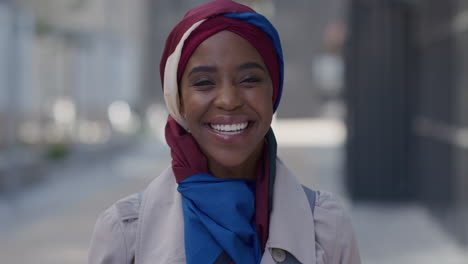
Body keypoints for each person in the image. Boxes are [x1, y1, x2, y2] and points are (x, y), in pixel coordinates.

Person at [88, 0, 361, 263]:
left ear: (273, 91)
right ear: (178, 100)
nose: (228, 100)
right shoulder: (124, 235)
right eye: (204, 82)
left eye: (250, 79)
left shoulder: (326, 230)